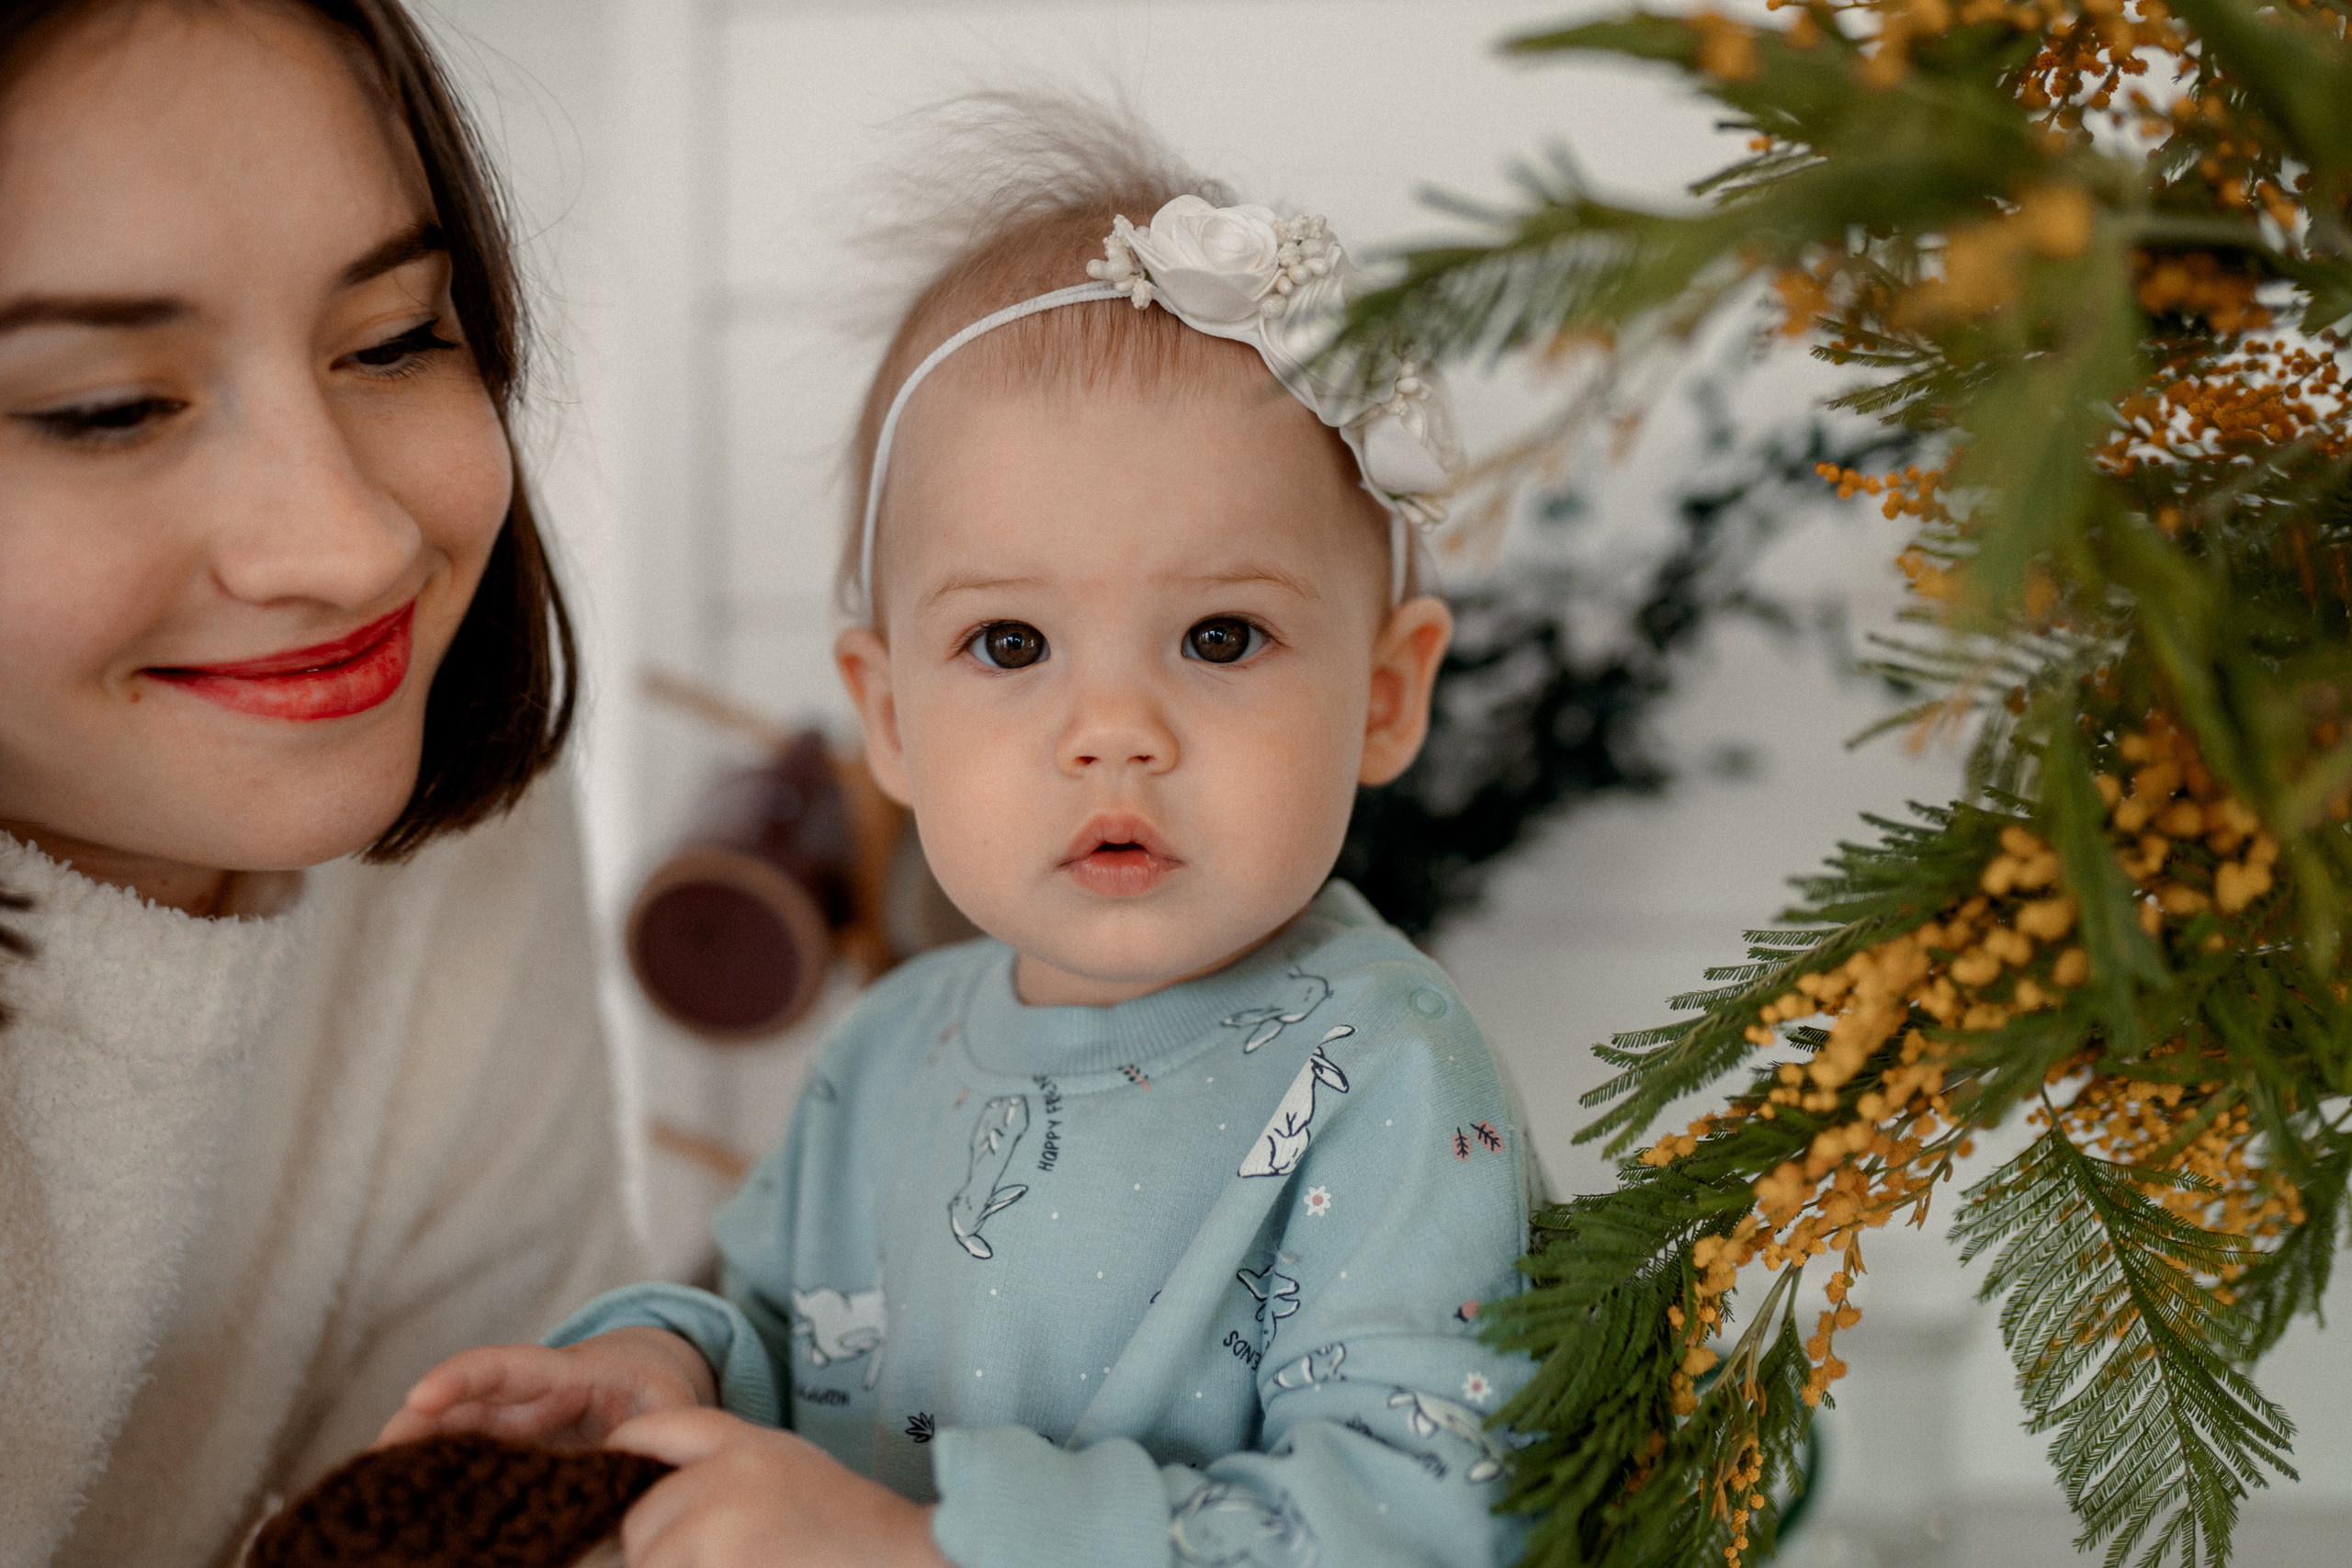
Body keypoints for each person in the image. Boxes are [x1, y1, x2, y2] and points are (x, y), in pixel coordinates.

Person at [383, 106, 1537, 1568]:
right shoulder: (889, 1050)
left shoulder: (1387, 1077)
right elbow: (789, 1326)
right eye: (1008, 643)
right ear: (890, 715)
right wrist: (661, 1372)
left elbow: (1424, 1520)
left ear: (1383, 697)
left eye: (1221, 634)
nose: (1112, 728)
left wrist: (922, 1551)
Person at [0, 2, 639, 1562]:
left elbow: (510, 1513)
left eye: (397, 338)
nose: (354, 547)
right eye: (109, 407)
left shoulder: (400, 789)